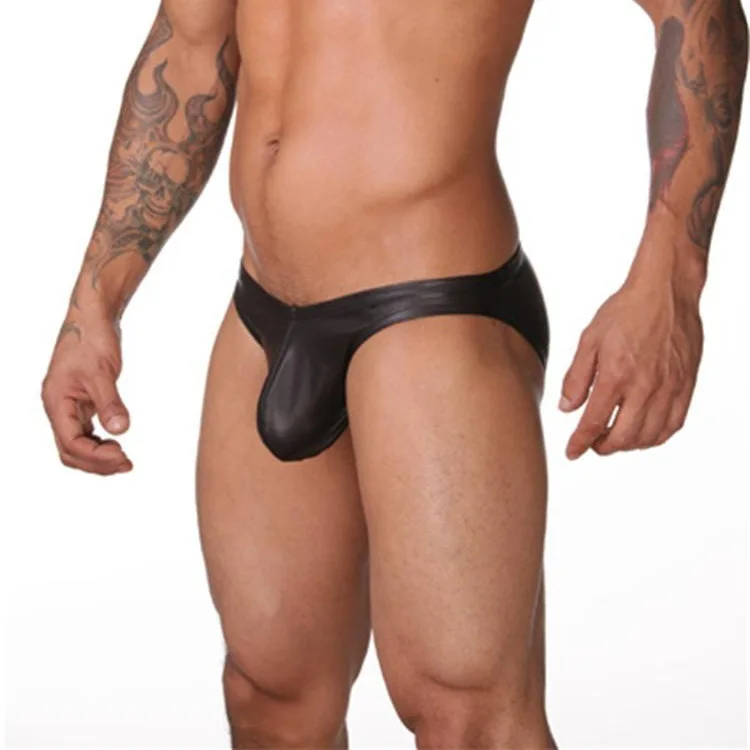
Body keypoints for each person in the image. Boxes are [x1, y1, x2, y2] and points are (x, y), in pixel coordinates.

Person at [40, 0, 747, 747]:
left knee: (466, 717)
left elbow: (699, 10)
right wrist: (94, 304)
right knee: (270, 697)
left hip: (434, 302)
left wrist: (672, 278)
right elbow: (190, 47)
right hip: (264, 310)